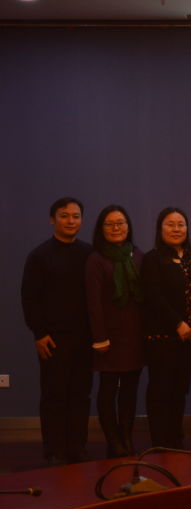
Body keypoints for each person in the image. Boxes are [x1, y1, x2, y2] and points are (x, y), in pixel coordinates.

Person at [21, 197, 93, 466]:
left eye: (75, 216)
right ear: (53, 220)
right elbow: (30, 298)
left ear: (81, 220)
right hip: (52, 339)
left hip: (84, 338)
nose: (70, 221)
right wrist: (39, 333)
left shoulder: (88, 253)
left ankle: (77, 447)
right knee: (54, 396)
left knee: (80, 395)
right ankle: (54, 450)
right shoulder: (39, 256)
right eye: (64, 216)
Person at [85, 204, 145, 457]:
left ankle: (126, 438)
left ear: (128, 226)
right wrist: (100, 338)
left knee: (130, 391)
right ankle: (113, 440)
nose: (116, 228)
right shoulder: (96, 259)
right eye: (109, 224)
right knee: (108, 390)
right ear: (101, 229)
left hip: (135, 335)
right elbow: (93, 303)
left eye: (120, 223)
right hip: (108, 337)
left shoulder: (138, 255)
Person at [141, 207, 191, 449]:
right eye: (170, 224)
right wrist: (178, 323)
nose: (176, 229)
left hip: (190, 337)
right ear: (160, 228)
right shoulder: (152, 259)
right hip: (162, 336)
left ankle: (176, 439)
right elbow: (153, 297)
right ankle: (160, 442)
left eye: (181, 224)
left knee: (179, 389)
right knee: (161, 390)